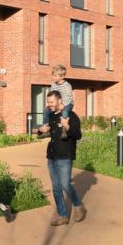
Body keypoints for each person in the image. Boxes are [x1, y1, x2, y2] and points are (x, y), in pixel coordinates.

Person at [43, 90, 85, 226]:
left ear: (60, 101)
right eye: (48, 102)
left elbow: (78, 135)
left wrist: (67, 126)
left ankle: (78, 206)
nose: (49, 105)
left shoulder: (71, 116)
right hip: (52, 156)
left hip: (65, 156)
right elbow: (49, 133)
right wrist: (40, 131)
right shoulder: (51, 116)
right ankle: (62, 216)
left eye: (51, 102)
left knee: (65, 184)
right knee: (56, 187)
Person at [37, 64, 74, 139]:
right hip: (57, 103)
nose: (53, 77)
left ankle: (64, 130)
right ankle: (46, 129)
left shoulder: (67, 85)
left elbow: (68, 97)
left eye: (55, 76)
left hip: (67, 103)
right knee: (46, 110)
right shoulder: (53, 85)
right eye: (53, 75)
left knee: (64, 112)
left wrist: (62, 105)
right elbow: (52, 95)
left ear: (62, 76)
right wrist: (50, 104)